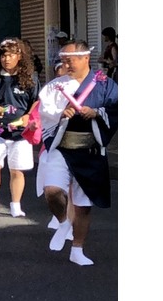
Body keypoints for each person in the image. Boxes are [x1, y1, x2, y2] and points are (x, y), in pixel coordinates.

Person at [36, 40, 118, 266]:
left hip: (90, 149)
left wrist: (98, 112)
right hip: (62, 147)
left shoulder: (105, 84)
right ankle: (63, 221)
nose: (66, 65)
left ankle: (77, 249)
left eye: (69, 60)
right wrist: (61, 113)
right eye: (63, 61)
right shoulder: (55, 86)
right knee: (52, 190)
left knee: (83, 205)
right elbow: (45, 112)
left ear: (85, 58)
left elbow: (116, 107)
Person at [0, 38, 40, 218]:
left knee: (17, 170)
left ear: (19, 56)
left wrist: (28, 116)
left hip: (21, 132)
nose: (7, 59)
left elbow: (36, 101)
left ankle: (16, 205)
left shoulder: (29, 77)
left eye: (11, 55)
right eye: (4, 55)